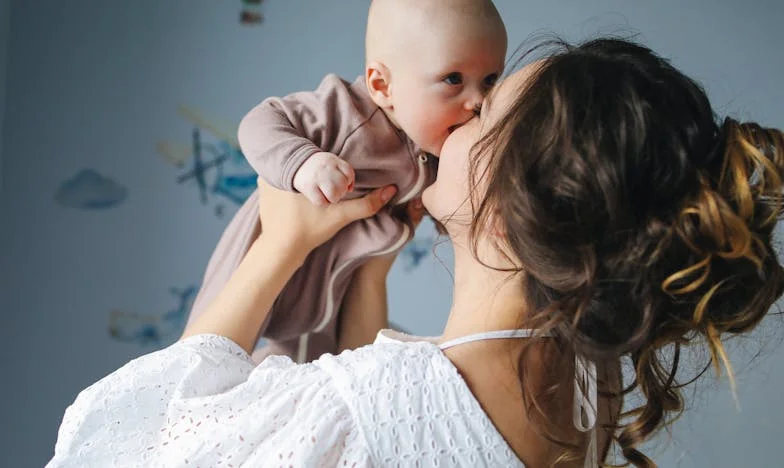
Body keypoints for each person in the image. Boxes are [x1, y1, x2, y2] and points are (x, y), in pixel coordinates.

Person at [47, 38, 784, 467]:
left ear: (506, 216)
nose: (457, 117)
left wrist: (279, 246)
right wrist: (370, 266)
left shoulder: (367, 406)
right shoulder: (587, 383)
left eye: (483, 114)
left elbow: (140, 440)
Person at [185, 0, 507, 363]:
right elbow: (260, 121)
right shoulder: (345, 111)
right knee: (207, 357)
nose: (478, 101)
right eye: (453, 79)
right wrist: (304, 163)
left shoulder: (435, 146)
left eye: (490, 80)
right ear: (382, 86)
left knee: (311, 367)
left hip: (332, 288)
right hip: (262, 255)